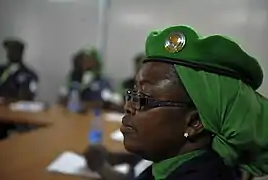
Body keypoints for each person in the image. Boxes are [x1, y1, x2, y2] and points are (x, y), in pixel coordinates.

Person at [85, 25, 268, 180]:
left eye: (144, 98)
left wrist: (103, 167)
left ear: (194, 122)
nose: (128, 106)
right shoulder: (176, 160)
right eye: (134, 94)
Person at [0, 38, 39, 140]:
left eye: (13, 50)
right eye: (8, 51)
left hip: (15, 117)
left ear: (21, 53)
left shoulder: (29, 74)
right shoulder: (0, 70)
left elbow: (27, 96)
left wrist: (7, 101)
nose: (10, 53)